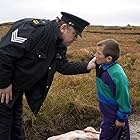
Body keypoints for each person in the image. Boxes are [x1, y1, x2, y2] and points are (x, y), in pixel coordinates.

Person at [0, 12, 95, 140]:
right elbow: (4, 54)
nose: (75, 39)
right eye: (74, 34)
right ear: (63, 28)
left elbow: (61, 66)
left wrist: (87, 66)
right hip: (4, 87)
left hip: (16, 90)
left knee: (16, 127)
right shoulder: (32, 30)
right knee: (3, 128)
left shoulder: (59, 44)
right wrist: (4, 83)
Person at [93, 39, 131, 140]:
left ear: (109, 58)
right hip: (107, 113)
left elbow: (124, 96)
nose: (95, 55)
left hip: (114, 114)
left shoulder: (117, 74)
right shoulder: (103, 65)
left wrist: (121, 118)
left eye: (98, 53)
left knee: (107, 136)